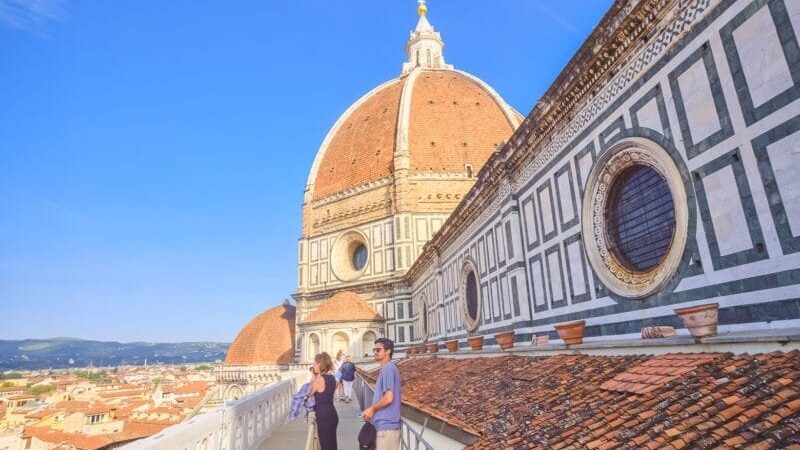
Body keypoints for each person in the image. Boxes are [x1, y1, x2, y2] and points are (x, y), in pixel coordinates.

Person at [362, 338, 401, 450]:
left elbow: (388, 398)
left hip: (387, 428)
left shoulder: (388, 368)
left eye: (378, 350)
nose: (375, 352)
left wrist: (372, 409)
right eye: (374, 350)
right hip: (384, 427)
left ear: (388, 351)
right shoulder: (386, 368)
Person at [307, 352, 338, 450]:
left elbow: (308, 394)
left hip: (323, 415)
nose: (313, 366)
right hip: (332, 413)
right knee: (332, 445)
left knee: (325, 445)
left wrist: (313, 376)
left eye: (315, 363)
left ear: (320, 364)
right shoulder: (332, 378)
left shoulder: (319, 380)